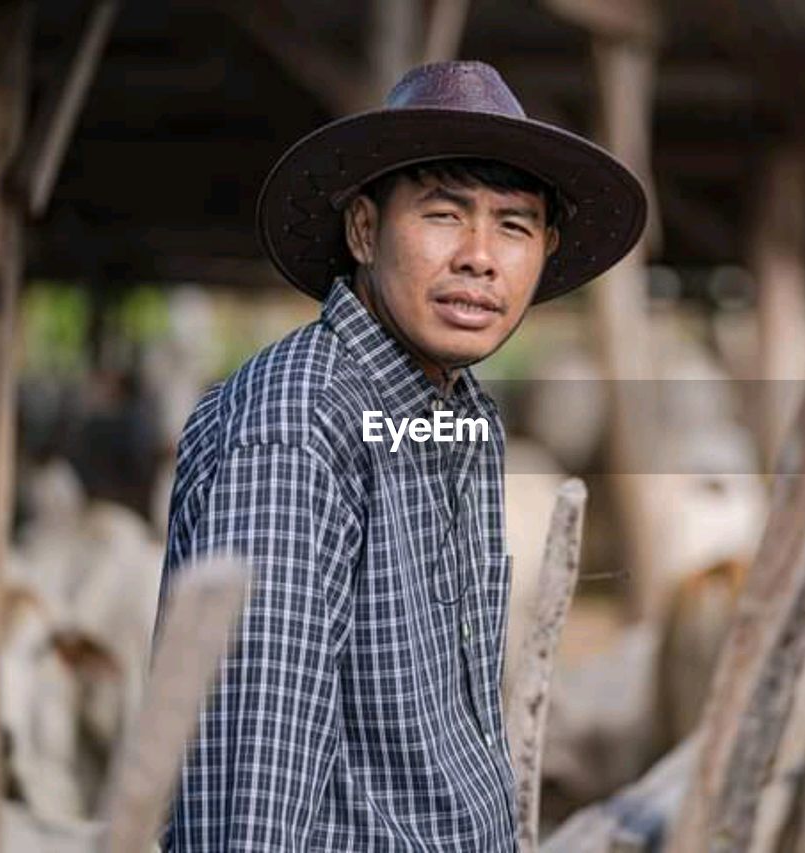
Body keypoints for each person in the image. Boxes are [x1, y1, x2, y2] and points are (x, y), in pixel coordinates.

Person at [154, 60, 646, 851]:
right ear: (363, 228)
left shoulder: (455, 414)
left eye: (514, 226)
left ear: (545, 249)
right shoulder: (297, 426)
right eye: (444, 215)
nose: (481, 256)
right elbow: (246, 802)